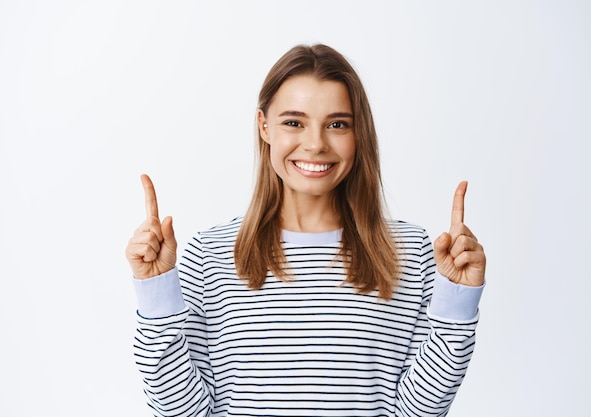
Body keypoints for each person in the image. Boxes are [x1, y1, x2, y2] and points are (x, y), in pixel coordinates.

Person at [126, 44, 486, 417]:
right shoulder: (210, 254)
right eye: (294, 122)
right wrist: (156, 297)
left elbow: (419, 412)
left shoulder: (410, 252)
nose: (315, 144)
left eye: (337, 124)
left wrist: (457, 301)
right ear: (264, 126)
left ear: (358, 132)